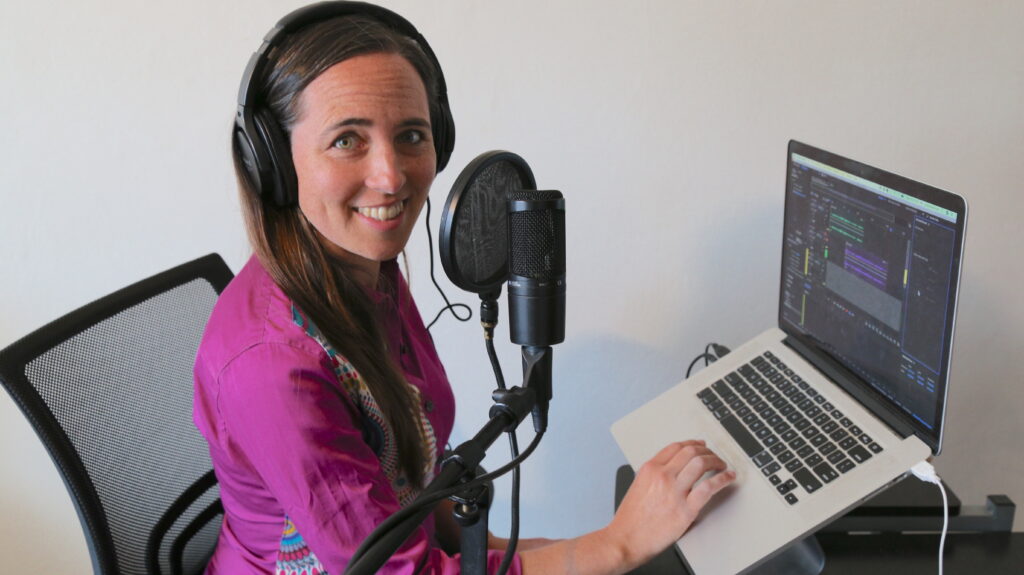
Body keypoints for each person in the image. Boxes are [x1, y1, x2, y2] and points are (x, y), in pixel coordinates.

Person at [193, 2, 736, 574]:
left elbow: (417, 493)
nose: (391, 175)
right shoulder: (274, 366)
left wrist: (595, 542)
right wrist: (621, 543)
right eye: (347, 140)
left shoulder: (364, 266)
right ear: (274, 160)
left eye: (410, 135)